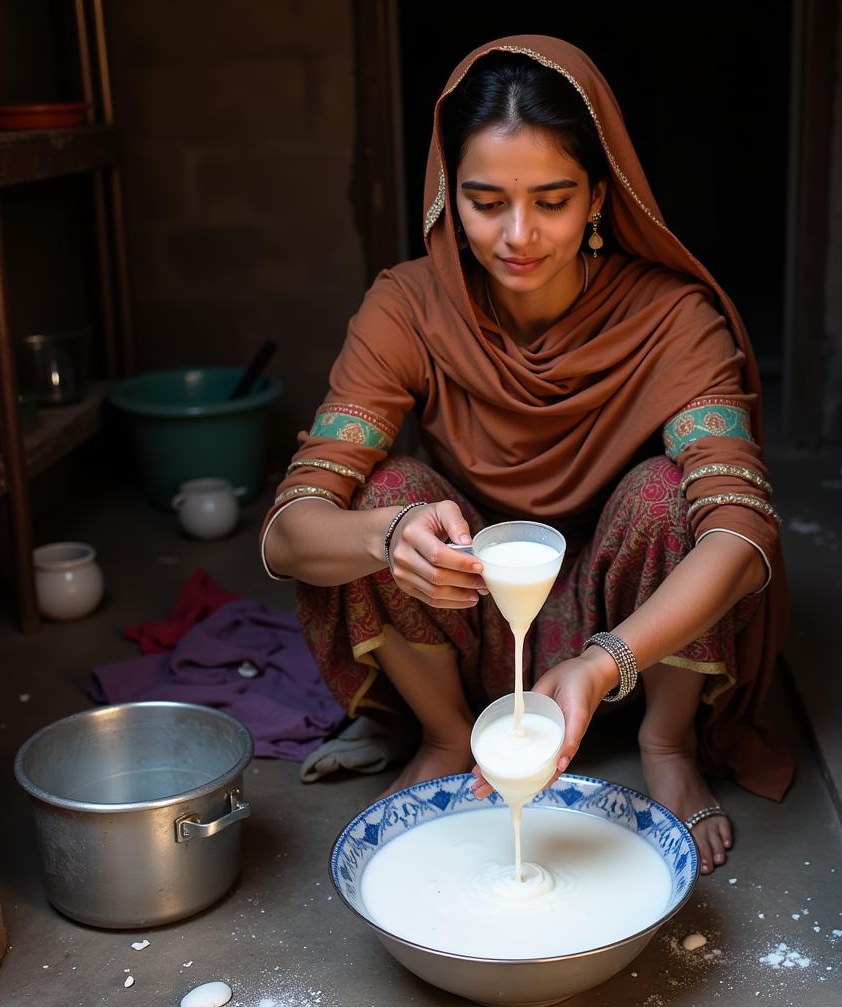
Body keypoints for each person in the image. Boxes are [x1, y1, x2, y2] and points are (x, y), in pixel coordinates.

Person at [261, 35, 794, 875]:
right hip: (469, 608)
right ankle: (444, 738)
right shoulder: (408, 307)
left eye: (551, 200)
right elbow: (289, 532)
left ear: (596, 198)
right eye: (485, 202)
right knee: (389, 490)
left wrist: (604, 659)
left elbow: (743, 531)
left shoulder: (671, 316)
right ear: (447, 196)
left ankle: (667, 744)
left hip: (622, 637)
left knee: (665, 494)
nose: (518, 236)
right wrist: (389, 536)